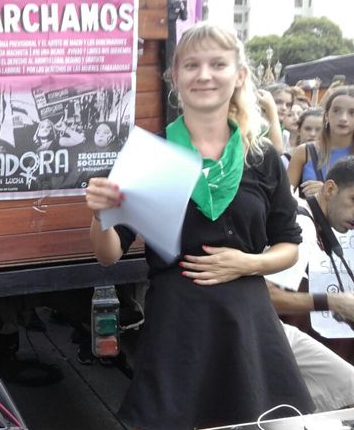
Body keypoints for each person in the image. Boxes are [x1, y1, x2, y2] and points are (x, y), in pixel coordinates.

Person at [85, 22, 314, 428]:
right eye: (191, 65)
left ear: (239, 75)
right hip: (178, 324)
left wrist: (246, 264)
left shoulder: (260, 156)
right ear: (176, 76)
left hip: (245, 321)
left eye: (217, 64)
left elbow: (289, 245)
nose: (204, 74)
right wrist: (100, 214)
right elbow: (108, 255)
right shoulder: (151, 156)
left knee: (253, 419)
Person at [266, 156, 354, 412]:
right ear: (329, 189)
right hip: (268, 334)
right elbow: (267, 295)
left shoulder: (311, 221)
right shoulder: (303, 225)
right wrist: (331, 301)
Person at [287, 85, 354, 198]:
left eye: (352, 113)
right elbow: (284, 197)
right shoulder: (305, 151)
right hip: (311, 214)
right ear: (326, 115)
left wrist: (326, 191)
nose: (343, 118)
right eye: (336, 110)